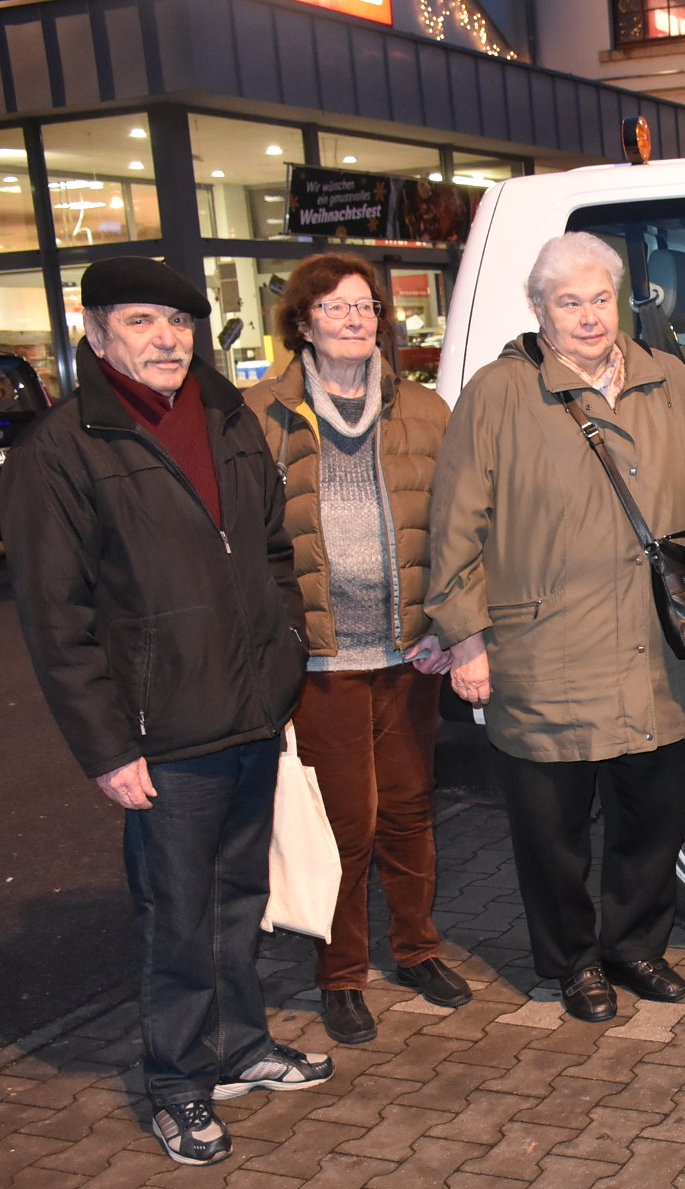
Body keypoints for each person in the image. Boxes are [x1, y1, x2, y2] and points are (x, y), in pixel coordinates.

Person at [2, 257, 332, 1165]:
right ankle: (178, 1084)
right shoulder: (61, 449)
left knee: (240, 900)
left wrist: (284, 653)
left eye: (179, 323)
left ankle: (239, 1048)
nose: (166, 339)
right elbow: (56, 619)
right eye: (142, 321)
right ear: (97, 331)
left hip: (250, 710)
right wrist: (107, 747)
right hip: (163, 734)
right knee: (178, 918)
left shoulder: (226, 415)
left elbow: (271, 548)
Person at [428, 233, 685, 1024]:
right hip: (545, 652)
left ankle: (634, 945)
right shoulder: (500, 392)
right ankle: (571, 961)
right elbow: (455, 521)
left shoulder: (669, 381)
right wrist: (465, 638)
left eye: (600, 299)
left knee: (652, 816)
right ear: (539, 309)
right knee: (553, 833)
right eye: (568, 302)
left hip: (655, 651)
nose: (589, 317)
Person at [245, 254, 468, 1047]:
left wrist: (449, 624)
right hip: (319, 659)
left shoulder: (425, 410)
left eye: (366, 305)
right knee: (346, 822)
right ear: (303, 321)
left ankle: (417, 948)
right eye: (335, 306)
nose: (355, 318)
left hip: (409, 653)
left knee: (409, 811)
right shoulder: (261, 414)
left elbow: (456, 527)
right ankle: (341, 974)